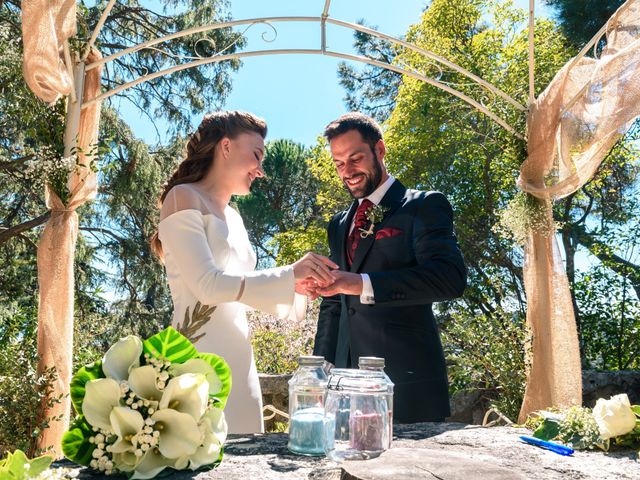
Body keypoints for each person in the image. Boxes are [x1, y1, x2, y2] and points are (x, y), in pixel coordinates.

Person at [150, 111, 337, 434]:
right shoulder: (182, 198)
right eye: (256, 155)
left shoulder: (235, 218)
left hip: (240, 358)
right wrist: (287, 274)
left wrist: (296, 285)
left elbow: (239, 292)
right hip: (197, 357)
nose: (261, 170)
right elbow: (207, 286)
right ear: (225, 147)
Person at [312, 112, 467, 423]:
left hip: (406, 385)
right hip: (343, 389)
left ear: (379, 150)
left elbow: (449, 278)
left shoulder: (423, 205)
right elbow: (333, 305)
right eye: (339, 164)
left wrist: (361, 284)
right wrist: (319, 371)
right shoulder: (339, 224)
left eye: (355, 158)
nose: (348, 171)